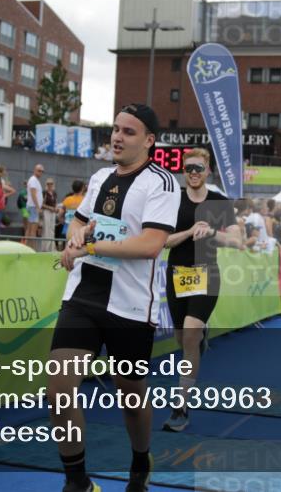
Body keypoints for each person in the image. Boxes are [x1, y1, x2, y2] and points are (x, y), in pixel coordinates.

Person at [51, 103, 180, 492]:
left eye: (128, 131)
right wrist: (75, 237)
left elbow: (150, 245)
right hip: (83, 297)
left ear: (149, 140)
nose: (118, 137)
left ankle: (141, 459)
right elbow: (80, 220)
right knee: (58, 389)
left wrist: (90, 247)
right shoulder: (100, 176)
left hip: (130, 305)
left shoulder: (162, 182)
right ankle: (78, 481)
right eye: (115, 129)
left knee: (131, 397)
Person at [162, 148, 240, 432]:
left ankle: (180, 407)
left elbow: (236, 240)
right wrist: (189, 231)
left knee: (191, 334)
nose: (193, 173)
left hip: (207, 275)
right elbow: (164, 241)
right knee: (182, 339)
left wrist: (211, 233)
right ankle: (199, 337)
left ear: (207, 170)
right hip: (177, 275)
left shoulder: (219, 202)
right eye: (188, 168)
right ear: (183, 171)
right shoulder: (173, 200)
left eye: (198, 168)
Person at [41, 177, 59, 252]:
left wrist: (56, 208)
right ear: (46, 185)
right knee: (46, 229)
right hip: (46, 212)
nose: (50, 185)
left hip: (53, 212)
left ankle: (51, 248)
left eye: (51, 184)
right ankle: (45, 248)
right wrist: (50, 208)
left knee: (52, 230)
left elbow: (56, 203)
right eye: (48, 184)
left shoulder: (54, 193)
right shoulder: (44, 193)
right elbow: (42, 205)